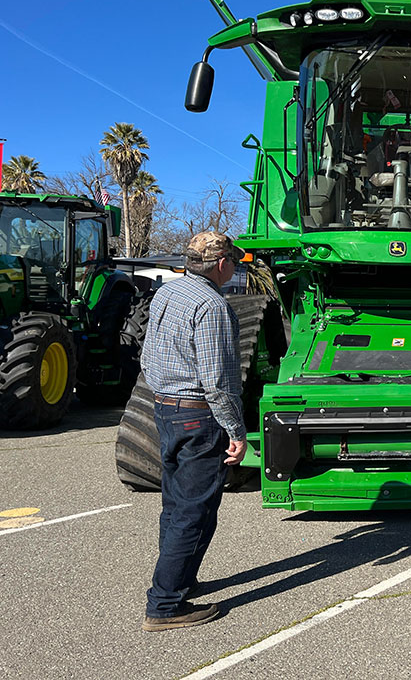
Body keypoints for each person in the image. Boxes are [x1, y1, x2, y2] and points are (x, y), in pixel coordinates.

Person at [140, 231, 248, 632]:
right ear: (220, 264)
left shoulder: (169, 293)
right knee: (194, 510)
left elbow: (148, 355)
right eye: (233, 261)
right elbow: (217, 380)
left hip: (166, 406)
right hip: (198, 415)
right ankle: (165, 604)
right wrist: (236, 430)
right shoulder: (212, 306)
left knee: (176, 502)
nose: (235, 267)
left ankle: (179, 579)